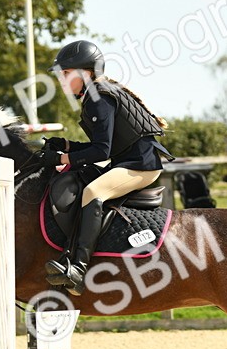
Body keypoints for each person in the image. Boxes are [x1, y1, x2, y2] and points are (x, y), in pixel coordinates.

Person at [43, 39, 168, 296]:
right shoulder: (97, 93)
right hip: (128, 161)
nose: (61, 80)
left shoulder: (98, 98)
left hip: (141, 167)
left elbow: (101, 151)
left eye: (65, 74)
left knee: (93, 192)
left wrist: (61, 159)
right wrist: (66, 146)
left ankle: (78, 268)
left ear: (85, 73)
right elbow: (99, 146)